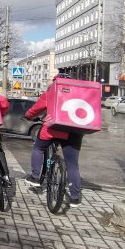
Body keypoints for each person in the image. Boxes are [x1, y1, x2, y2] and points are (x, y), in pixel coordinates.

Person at [24, 74, 84, 207]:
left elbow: (37, 108)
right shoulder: (80, 93)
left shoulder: (52, 90)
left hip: (53, 129)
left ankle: (35, 177)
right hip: (74, 132)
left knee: (39, 148)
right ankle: (74, 197)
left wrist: (28, 116)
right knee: (72, 163)